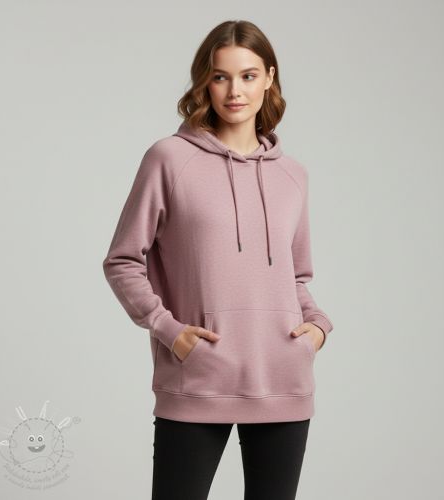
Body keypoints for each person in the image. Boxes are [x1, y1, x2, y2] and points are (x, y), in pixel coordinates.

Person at [102, 19, 334, 500]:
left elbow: (295, 276)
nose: (235, 91)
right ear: (205, 82)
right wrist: (169, 330)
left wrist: (317, 326)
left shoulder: (293, 175)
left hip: (282, 379)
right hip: (198, 377)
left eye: (248, 76)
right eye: (220, 76)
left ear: (269, 78)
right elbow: (123, 260)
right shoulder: (169, 159)